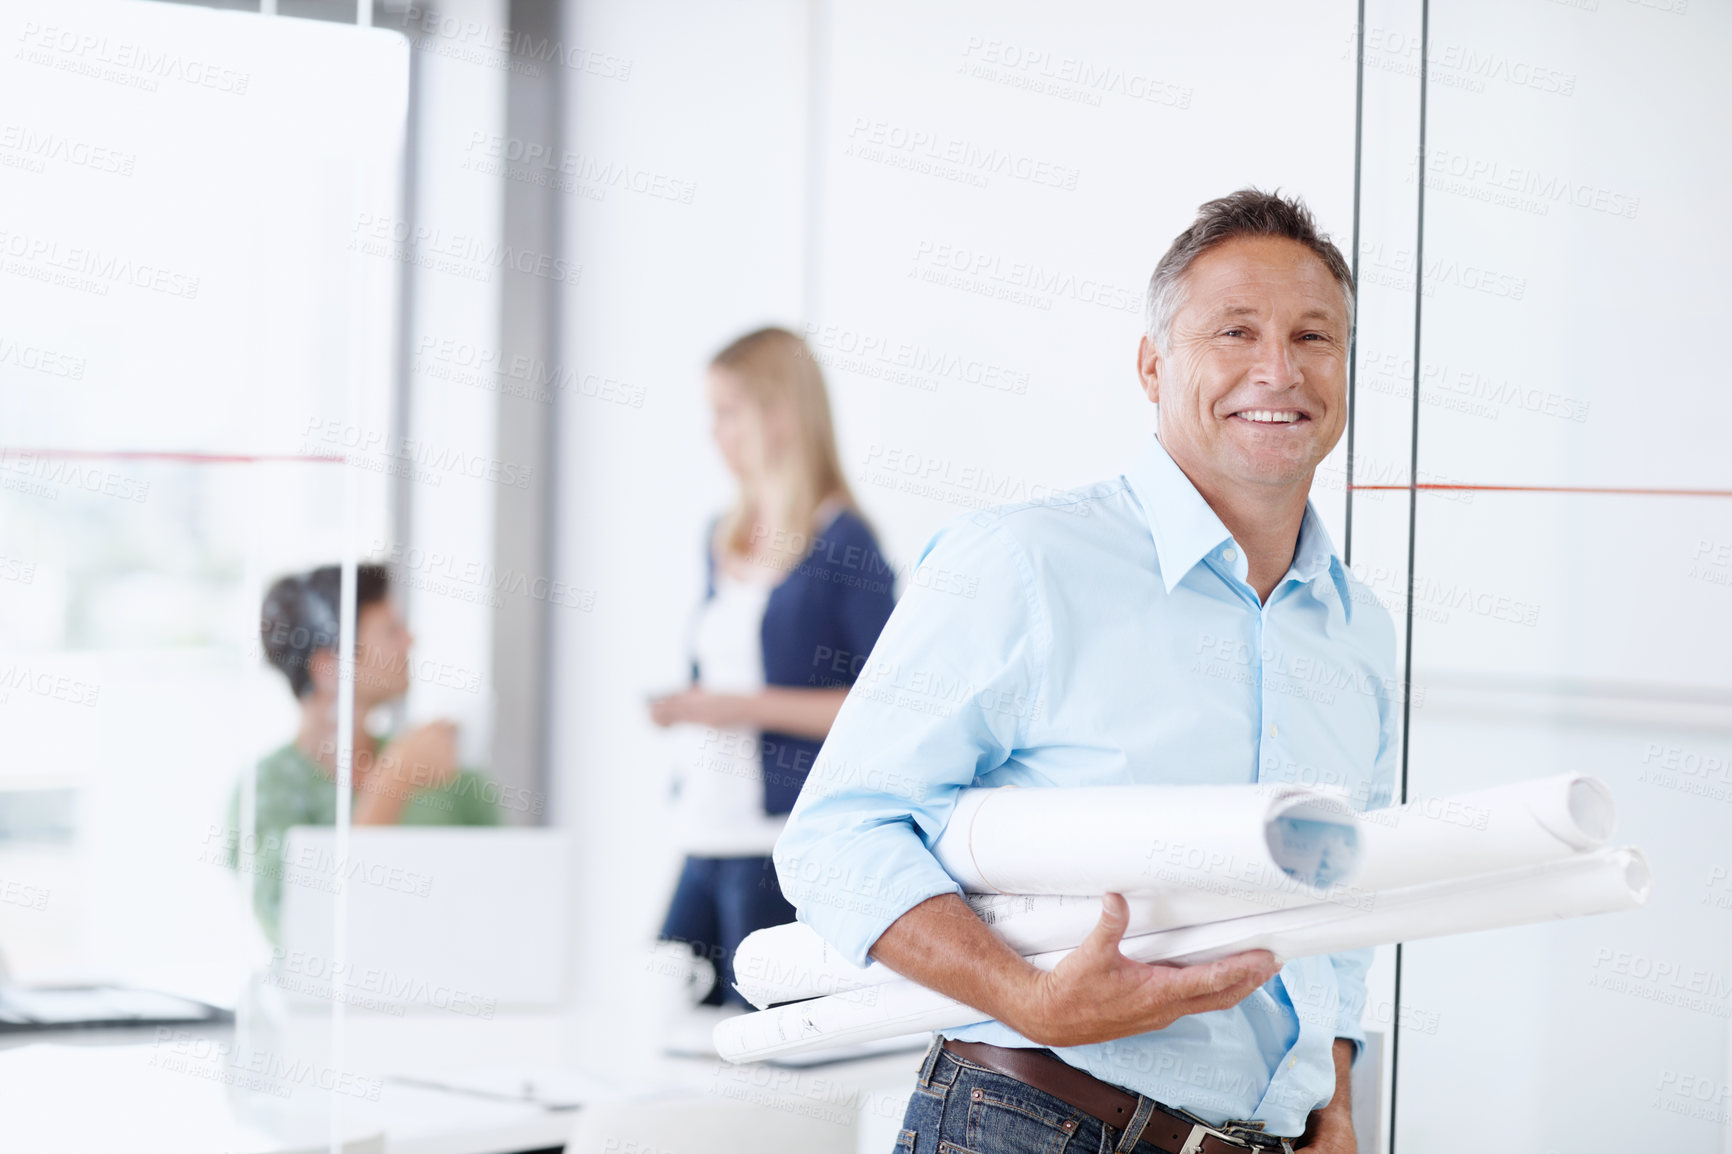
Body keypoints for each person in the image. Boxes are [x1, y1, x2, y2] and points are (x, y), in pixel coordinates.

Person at [773, 190, 1399, 1153]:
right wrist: (1030, 998)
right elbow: (836, 834)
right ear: (1153, 366)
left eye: (1314, 337)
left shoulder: (1357, 634)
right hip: (1031, 1120)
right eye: (1236, 331)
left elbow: (1346, 894)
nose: (1279, 369)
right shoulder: (1022, 564)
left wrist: (1338, 1099)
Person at [648, 326, 898, 1015]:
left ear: (780, 415)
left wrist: (741, 707)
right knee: (669, 1014)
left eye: (729, 413)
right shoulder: (720, 535)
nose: (716, 434)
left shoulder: (845, 542)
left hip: (776, 845)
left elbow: (884, 708)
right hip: (703, 826)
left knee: (758, 1039)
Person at [226, 563, 501, 944]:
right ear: (328, 668)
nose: (411, 640)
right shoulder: (266, 792)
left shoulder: (441, 768)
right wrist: (394, 780)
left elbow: (503, 900)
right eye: (391, 631)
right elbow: (311, 938)